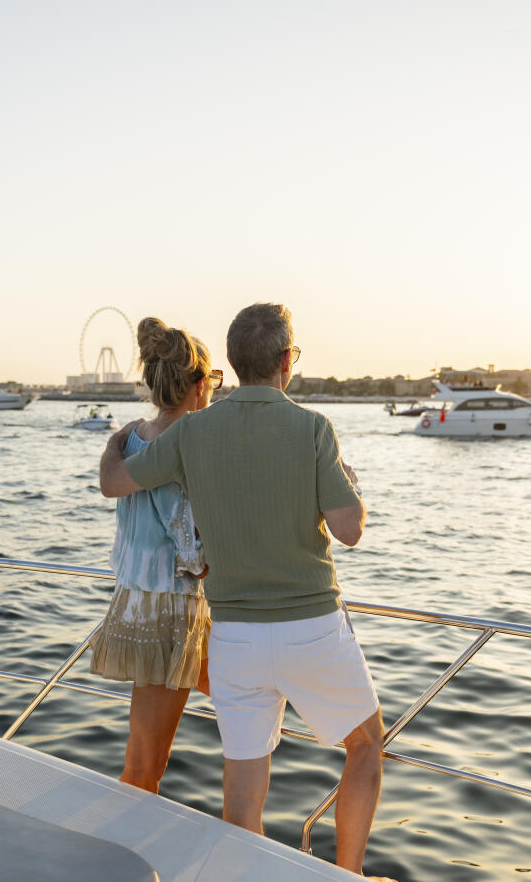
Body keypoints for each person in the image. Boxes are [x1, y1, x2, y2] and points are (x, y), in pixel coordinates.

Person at [100, 303, 383, 875]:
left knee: (242, 796)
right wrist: (349, 485)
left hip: (233, 639)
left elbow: (118, 482)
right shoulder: (312, 428)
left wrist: (117, 439)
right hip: (311, 631)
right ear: (286, 361)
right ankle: (348, 874)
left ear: (232, 361)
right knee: (366, 748)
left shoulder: (194, 432)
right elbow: (349, 530)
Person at [91, 316, 222, 793]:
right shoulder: (192, 443)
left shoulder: (130, 437)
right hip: (172, 607)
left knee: (243, 690)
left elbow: (111, 485)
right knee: (146, 764)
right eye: (214, 380)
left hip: (137, 600)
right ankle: (122, 849)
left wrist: (111, 443)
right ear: (199, 383)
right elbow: (192, 543)